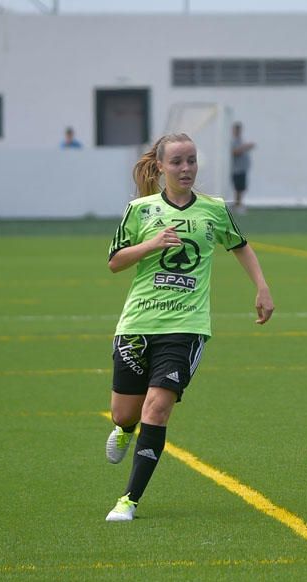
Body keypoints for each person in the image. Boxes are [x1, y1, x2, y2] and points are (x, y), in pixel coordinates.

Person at [103, 132, 274, 522]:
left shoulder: (214, 209)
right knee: (123, 413)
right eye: (177, 162)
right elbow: (115, 262)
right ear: (160, 166)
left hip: (187, 325)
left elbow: (240, 246)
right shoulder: (140, 210)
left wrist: (262, 287)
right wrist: (152, 245)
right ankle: (126, 429)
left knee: (159, 407)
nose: (186, 169)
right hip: (138, 323)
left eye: (192, 161)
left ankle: (128, 500)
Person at [230, 122, 255, 213]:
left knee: (241, 188)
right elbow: (234, 152)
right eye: (236, 130)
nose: (238, 131)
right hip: (237, 169)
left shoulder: (240, 140)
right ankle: (237, 205)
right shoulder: (233, 141)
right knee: (238, 188)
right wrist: (246, 147)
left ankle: (238, 204)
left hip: (242, 169)